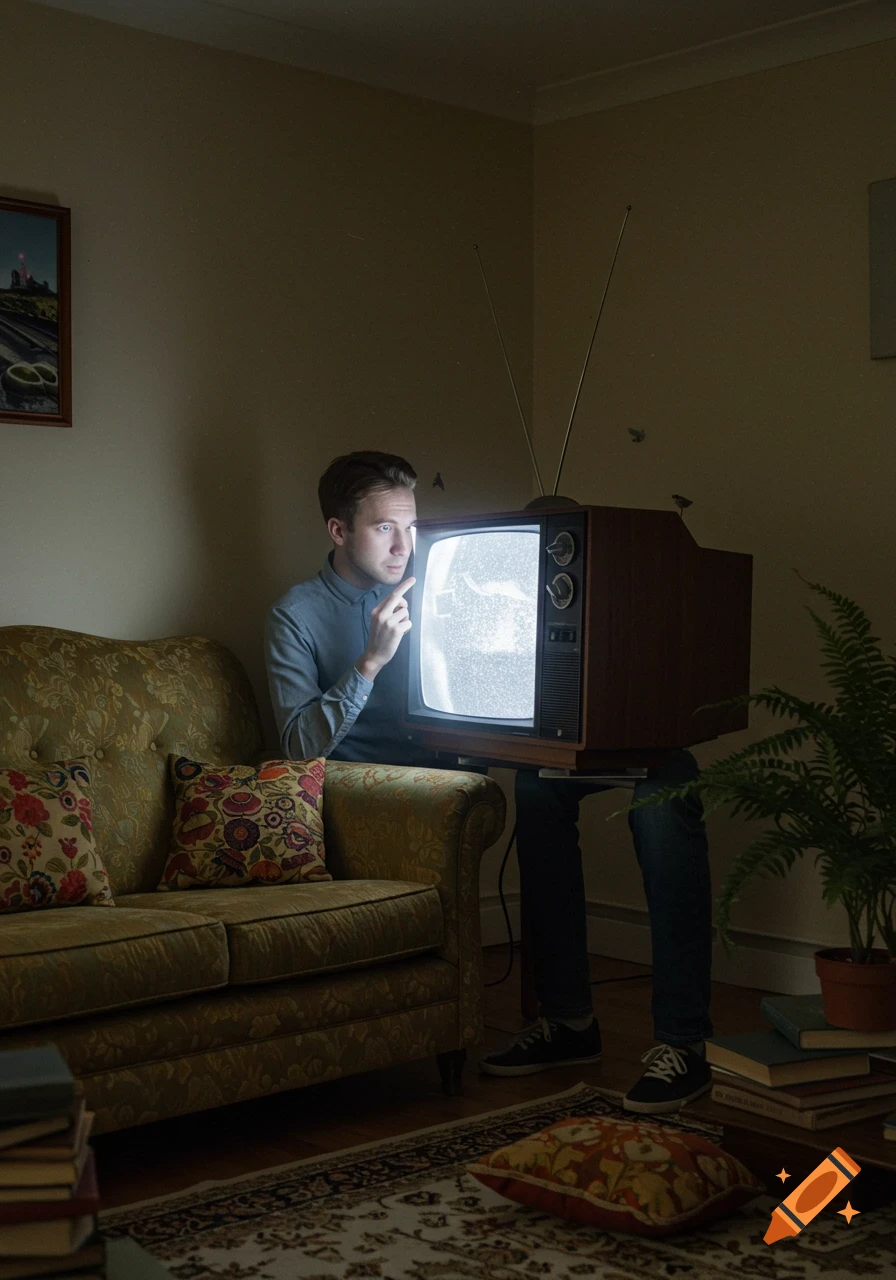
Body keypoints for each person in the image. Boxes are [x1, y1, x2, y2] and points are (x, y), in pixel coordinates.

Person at [265, 450, 713, 1114]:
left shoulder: (442, 586)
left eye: (412, 527)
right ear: (338, 530)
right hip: (379, 796)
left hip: (462, 764)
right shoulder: (296, 614)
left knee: (655, 783)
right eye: (385, 529)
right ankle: (570, 1021)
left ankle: (666, 1040)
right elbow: (298, 747)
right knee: (537, 789)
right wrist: (370, 663)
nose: (405, 546)